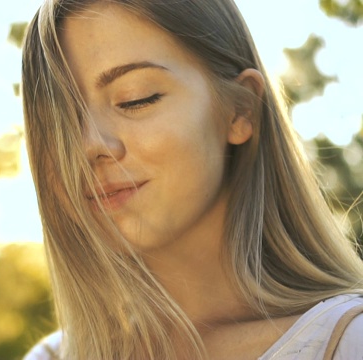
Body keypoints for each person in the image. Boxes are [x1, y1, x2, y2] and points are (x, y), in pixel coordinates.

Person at [20, 0, 363, 359]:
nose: (88, 145)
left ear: (240, 110)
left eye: (136, 99)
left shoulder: (346, 342)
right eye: (56, 120)